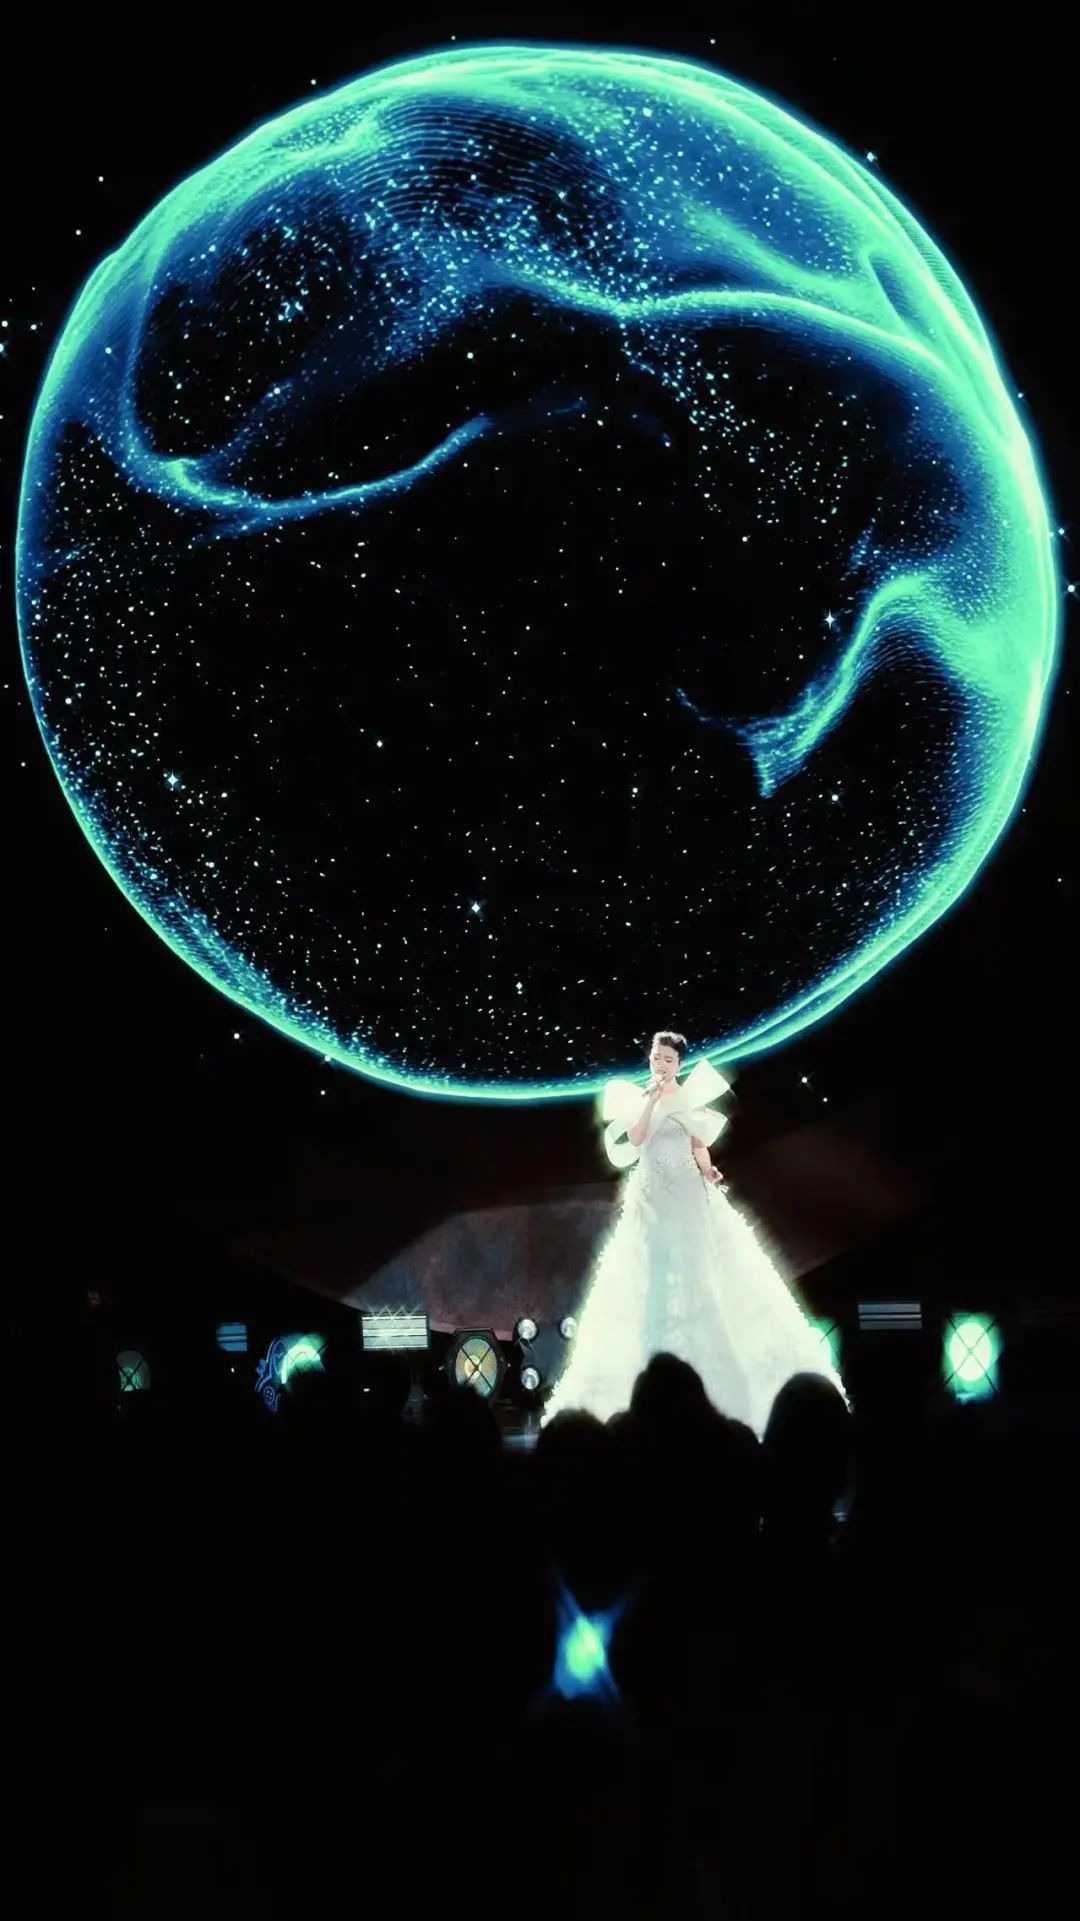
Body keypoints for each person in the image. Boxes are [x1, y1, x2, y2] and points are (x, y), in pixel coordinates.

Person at [544, 1030, 845, 1434]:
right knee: (645, 1272)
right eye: (656, 1057)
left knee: (699, 1268)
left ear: (678, 1063)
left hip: (687, 1189)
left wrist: (709, 1169)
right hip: (650, 1194)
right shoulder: (640, 1097)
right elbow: (635, 1139)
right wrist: (650, 1101)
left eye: (667, 1059)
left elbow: (698, 1143)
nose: (660, 1064)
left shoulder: (689, 1098)